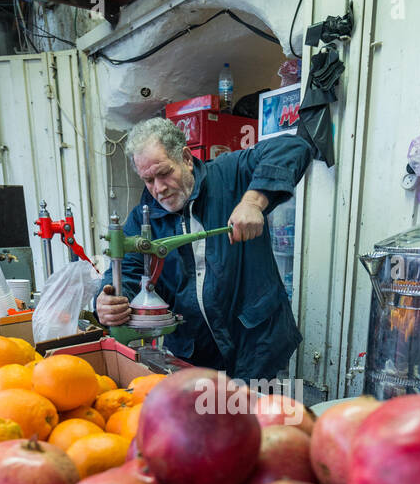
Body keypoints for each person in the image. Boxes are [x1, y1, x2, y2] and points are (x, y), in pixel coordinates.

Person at [93, 117, 312, 381]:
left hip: (258, 345)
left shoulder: (230, 174)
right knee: (209, 418)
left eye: (164, 173)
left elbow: (293, 147)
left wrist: (253, 202)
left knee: (264, 418)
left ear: (185, 158)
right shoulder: (143, 219)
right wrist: (108, 301)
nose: (158, 189)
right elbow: (126, 271)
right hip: (194, 355)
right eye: (148, 180)